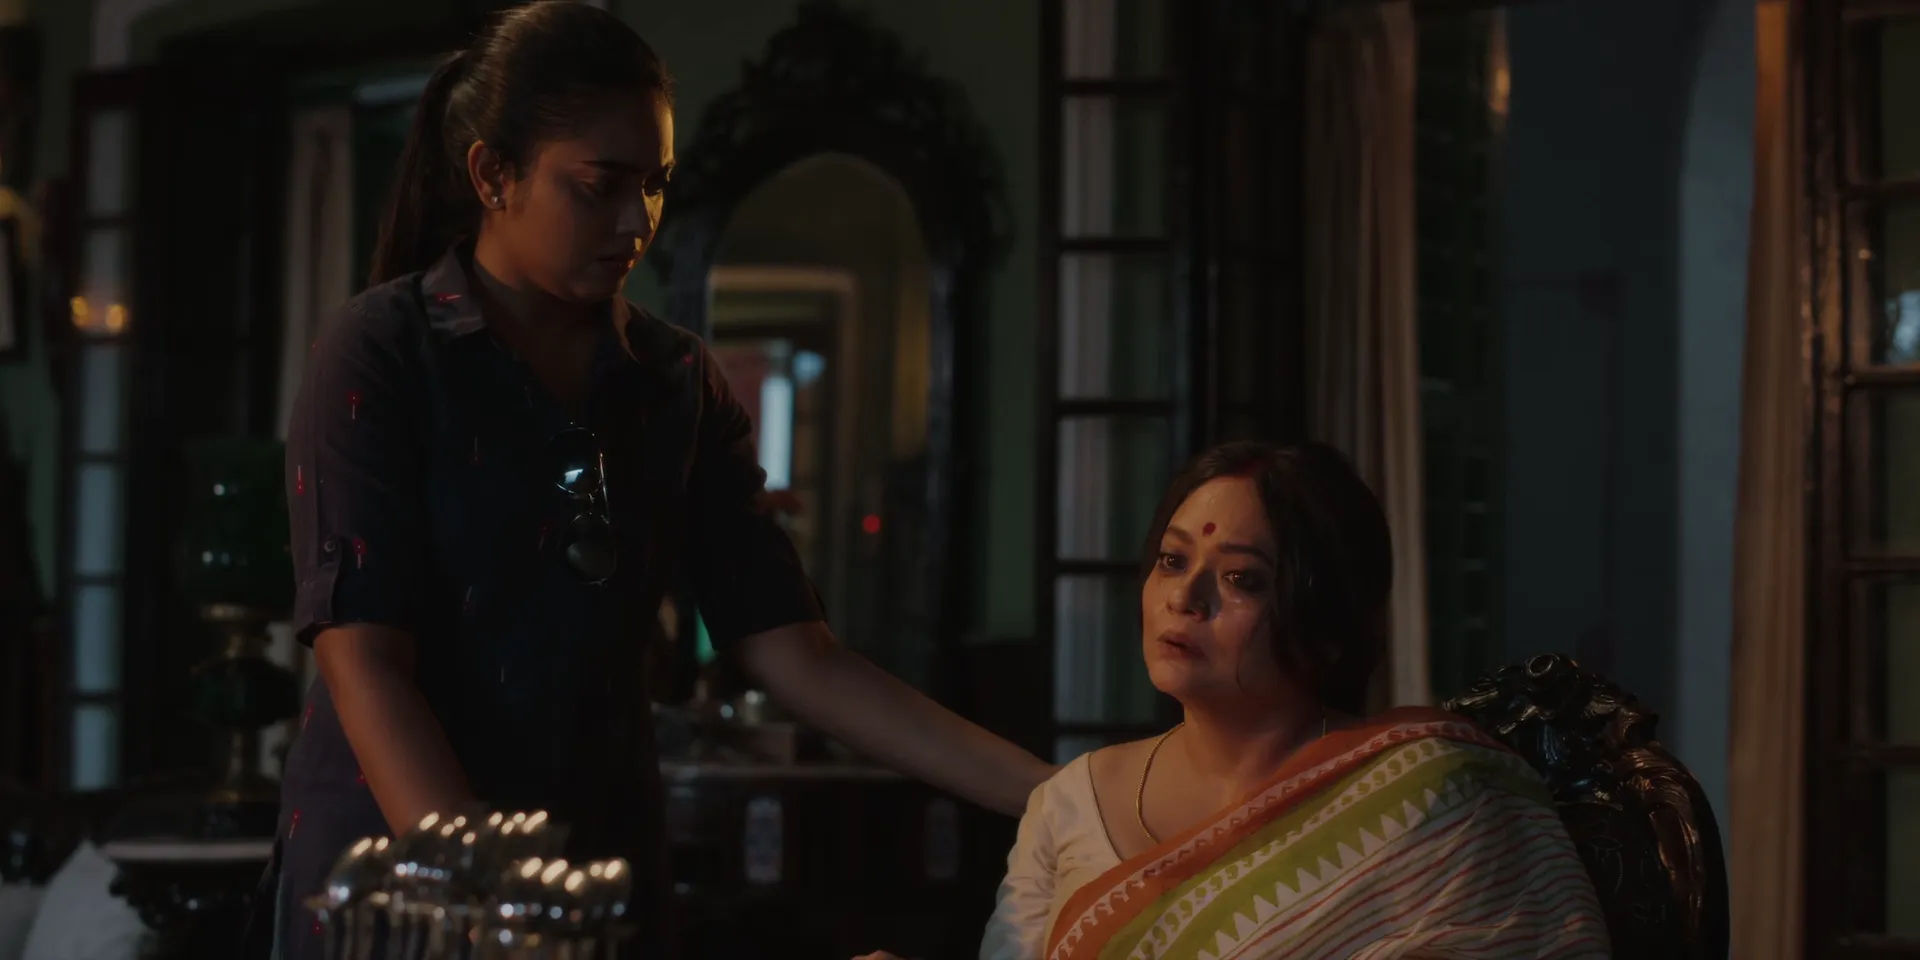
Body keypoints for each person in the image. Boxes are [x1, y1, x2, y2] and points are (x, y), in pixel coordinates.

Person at [250, 3, 1053, 957]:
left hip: (596, 865)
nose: (638, 221)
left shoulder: (673, 381)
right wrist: (494, 902)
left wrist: (1054, 797)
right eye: (601, 186)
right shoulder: (384, 349)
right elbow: (365, 666)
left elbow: (797, 653)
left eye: (656, 185)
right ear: (493, 175)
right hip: (399, 880)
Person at [868, 441, 1610, 959]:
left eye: (1240, 579)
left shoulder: (1433, 799)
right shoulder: (1069, 803)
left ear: (1328, 629)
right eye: (1172, 560)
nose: (1184, 598)